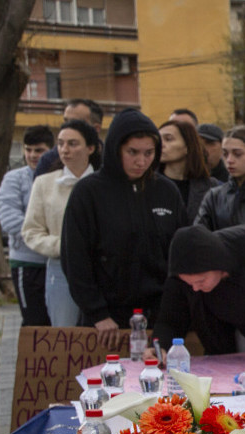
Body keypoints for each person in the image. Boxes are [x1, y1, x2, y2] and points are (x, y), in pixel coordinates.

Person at [61, 109, 186, 346]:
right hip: (107, 321)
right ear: (116, 149)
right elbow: (75, 258)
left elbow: (180, 255)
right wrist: (97, 313)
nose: (141, 161)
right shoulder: (88, 193)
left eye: (149, 153)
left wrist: (172, 314)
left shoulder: (167, 191)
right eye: (133, 152)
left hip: (159, 317)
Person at [154, 225, 245, 356]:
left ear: (218, 265)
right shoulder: (181, 276)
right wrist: (161, 347)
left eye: (201, 281)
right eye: (190, 283)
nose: (195, 288)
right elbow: (170, 319)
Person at [21, 120, 97, 327]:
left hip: (101, 267)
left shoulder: (104, 184)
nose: (65, 150)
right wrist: (61, 245)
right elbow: (31, 231)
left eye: (73, 144)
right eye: (61, 144)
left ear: (91, 148)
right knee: (65, 333)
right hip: (61, 267)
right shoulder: (44, 183)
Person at [0, 125, 53, 325]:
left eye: (39, 150)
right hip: (27, 263)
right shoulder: (14, 179)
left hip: (58, 264)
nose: (32, 155)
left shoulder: (60, 178)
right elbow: (10, 220)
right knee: (34, 323)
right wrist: (47, 237)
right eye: (28, 150)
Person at [158, 119, 221, 224]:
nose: (161, 145)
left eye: (168, 139)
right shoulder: (148, 184)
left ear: (187, 146)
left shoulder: (209, 186)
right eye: (158, 140)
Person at [34, 98, 102, 177]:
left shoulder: (111, 159)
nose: (68, 127)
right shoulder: (48, 161)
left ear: (96, 128)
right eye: (66, 121)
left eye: (76, 123)